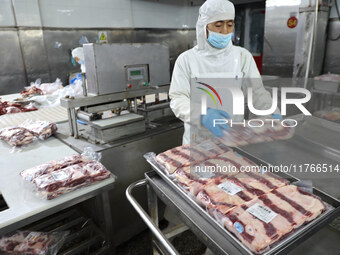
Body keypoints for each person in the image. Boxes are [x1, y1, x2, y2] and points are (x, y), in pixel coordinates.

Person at [169, 0, 280, 145]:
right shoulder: (186, 60)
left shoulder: (242, 56)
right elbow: (178, 99)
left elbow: (257, 92)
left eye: (230, 24)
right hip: (197, 142)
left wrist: (270, 111)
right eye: (218, 25)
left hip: (233, 138)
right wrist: (202, 114)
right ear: (204, 26)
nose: (225, 31)